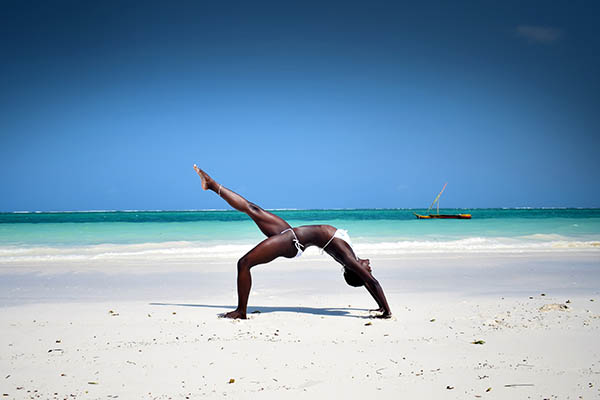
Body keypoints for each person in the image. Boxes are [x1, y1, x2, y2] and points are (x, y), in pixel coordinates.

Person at [193, 165, 392, 319]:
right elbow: (366, 280)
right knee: (252, 208)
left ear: (355, 270)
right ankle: (211, 185)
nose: (370, 267)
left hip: (291, 243)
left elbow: (370, 281)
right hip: (291, 235)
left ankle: (241, 311)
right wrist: (381, 306)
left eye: (368, 269)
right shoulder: (351, 257)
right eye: (369, 268)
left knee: (244, 263)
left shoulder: (348, 258)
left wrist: (387, 311)